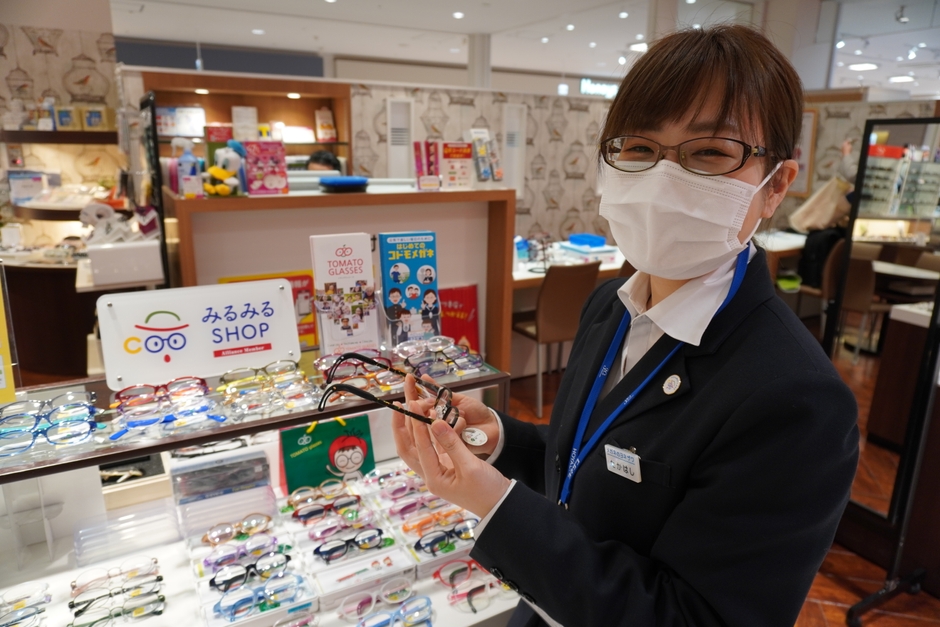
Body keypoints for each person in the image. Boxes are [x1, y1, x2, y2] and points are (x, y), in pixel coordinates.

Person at [392, 24, 859, 627]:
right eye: (638, 148)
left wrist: (491, 502)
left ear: (776, 187)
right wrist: (499, 439)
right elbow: (595, 459)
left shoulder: (798, 401)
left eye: (709, 152)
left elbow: (695, 618)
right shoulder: (609, 305)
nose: (663, 178)